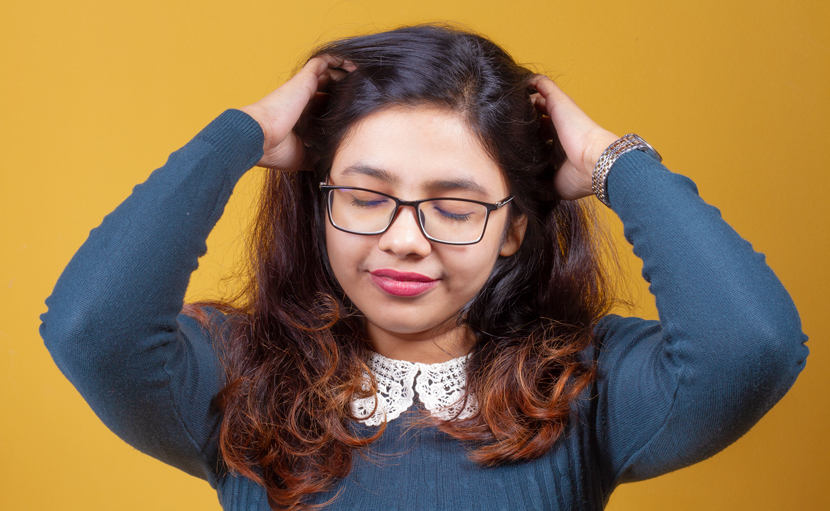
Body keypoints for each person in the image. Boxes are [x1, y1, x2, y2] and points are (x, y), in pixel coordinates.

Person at [40, 24, 808, 511]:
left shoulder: (585, 384)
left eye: (454, 204)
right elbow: (90, 326)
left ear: (513, 228)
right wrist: (240, 135)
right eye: (368, 196)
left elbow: (754, 347)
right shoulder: (236, 371)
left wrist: (615, 164)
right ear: (321, 201)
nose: (405, 239)